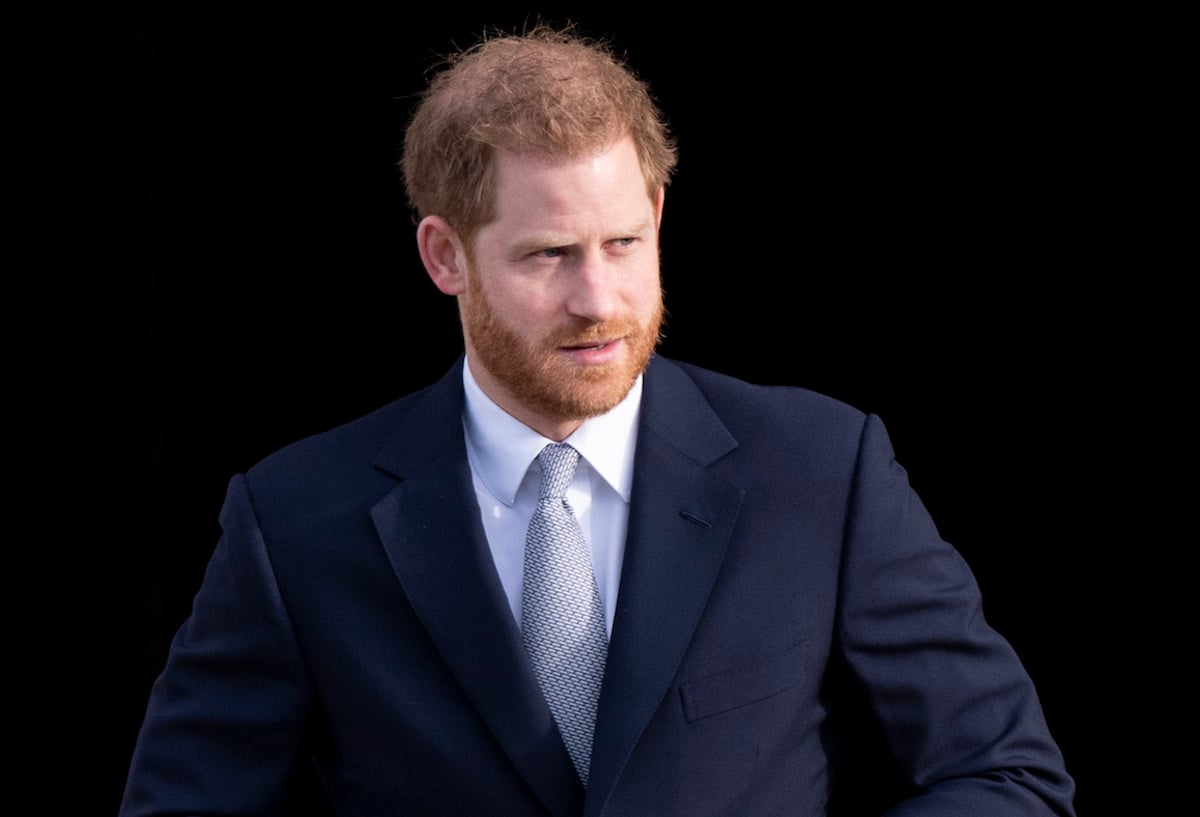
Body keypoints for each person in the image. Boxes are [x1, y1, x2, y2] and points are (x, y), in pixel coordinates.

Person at [122, 24, 1076, 816]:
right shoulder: (292, 522)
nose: (599, 298)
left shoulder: (824, 471)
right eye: (548, 254)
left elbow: (1005, 776)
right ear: (444, 255)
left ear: (659, 212)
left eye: (625, 242)